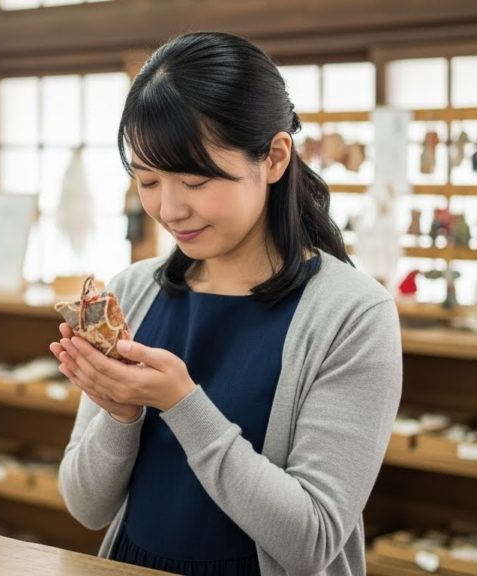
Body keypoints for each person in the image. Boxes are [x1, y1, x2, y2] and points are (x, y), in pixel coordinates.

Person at [49, 32, 403, 576]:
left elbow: (312, 541)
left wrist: (182, 404)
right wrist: (120, 413)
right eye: (148, 180)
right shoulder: (132, 291)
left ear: (275, 157)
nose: (170, 209)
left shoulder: (353, 315)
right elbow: (85, 506)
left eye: (195, 180)